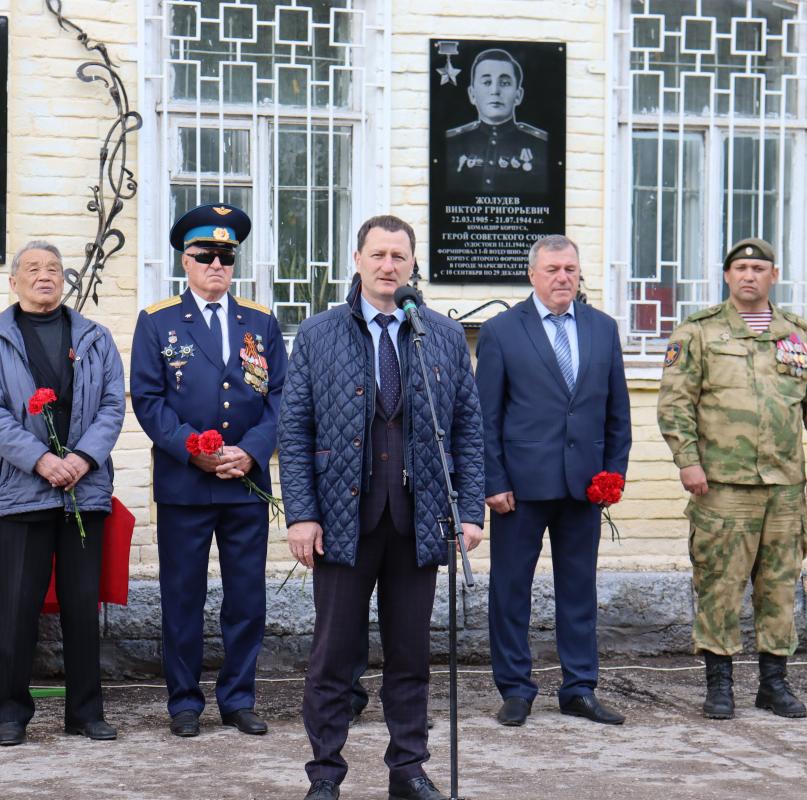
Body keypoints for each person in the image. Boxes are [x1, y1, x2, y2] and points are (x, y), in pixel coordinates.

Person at [279, 215, 485, 800]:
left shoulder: (438, 335)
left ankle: (409, 768)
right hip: (344, 520)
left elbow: (467, 428)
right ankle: (325, 772)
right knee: (333, 655)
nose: (388, 265)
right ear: (357, 259)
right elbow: (294, 430)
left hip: (419, 520)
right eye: (378, 255)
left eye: (399, 255)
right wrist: (301, 514)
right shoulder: (319, 334)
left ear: (413, 263)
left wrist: (468, 510)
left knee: (411, 654)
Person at [657, 237, 807, 720]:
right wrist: (688, 460)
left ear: (773, 276)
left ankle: (773, 683)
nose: (749, 276)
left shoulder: (797, 334)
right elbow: (675, 404)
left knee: (779, 585)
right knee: (720, 584)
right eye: (740, 267)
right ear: (726, 276)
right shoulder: (698, 333)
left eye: (758, 268)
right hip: (722, 485)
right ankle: (719, 685)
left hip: (785, 487)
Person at [131, 203, 286, 738]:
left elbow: (280, 398)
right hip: (186, 483)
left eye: (226, 256)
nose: (217, 265)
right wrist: (189, 449)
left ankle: (239, 698)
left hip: (245, 482)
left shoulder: (261, 322)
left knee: (246, 597)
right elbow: (149, 401)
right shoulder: (158, 321)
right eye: (205, 256)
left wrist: (254, 451)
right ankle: (184, 702)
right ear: (185, 260)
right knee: (183, 597)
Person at [0, 241, 125, 746]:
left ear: (65, 280)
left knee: (83, 605)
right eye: (33, 269)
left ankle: (85, 711)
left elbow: (110, 407)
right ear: (13, 281)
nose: (45, 276)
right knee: (18, 606)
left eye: (54, 269)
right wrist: (41, 459)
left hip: (85, 490)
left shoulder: (96, 338)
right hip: (24, 492)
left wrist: (81, 458)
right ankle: (11, 714)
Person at [476, 234, 631, 727]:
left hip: (584, 487)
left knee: (579, 590)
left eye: (570, 269)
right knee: (510, 590)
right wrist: (492, 481)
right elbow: (486, 416)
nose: (563, 277)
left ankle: (579, 687)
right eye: (553, 270)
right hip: (519, 491)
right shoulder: (502, 331)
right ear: (532, 275)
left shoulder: (602, 329)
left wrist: (613, 473)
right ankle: (516, 689)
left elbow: (617, 414)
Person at [445, 47, 548, 194]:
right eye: (487, 82)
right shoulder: (451, 143)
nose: (495, 90)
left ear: (518, 95)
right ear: (472, 94)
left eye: (505, 83)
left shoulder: (542, 145)